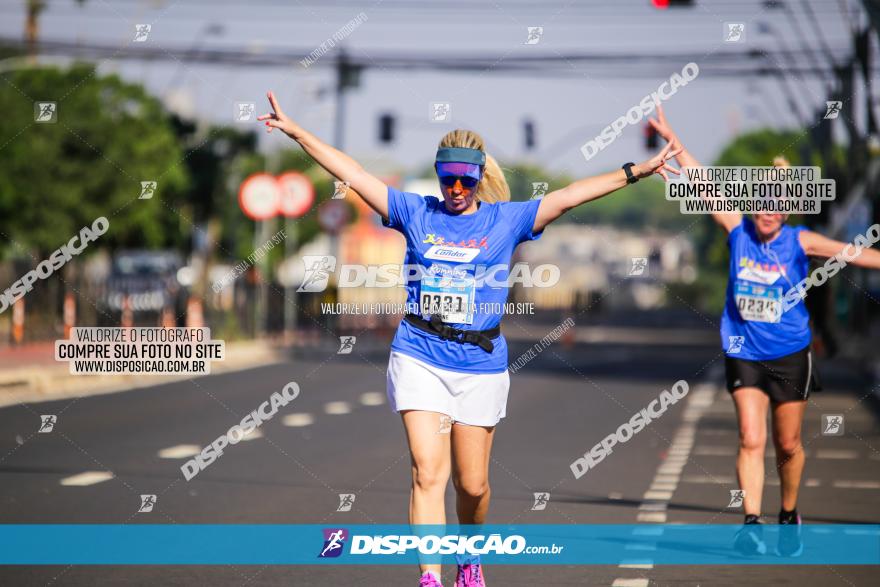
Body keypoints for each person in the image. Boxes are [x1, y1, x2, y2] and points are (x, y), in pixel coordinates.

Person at [259, 91, 679, 586]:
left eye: (465, 179)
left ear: (480, 177)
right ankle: (430, 577)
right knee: (426, 471)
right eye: (447, 178)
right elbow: (352, 173)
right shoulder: (415, 212)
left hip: (479, 362)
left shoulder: (506, 220)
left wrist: (636, 172)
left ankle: (470, 557)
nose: (456, 188)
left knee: (473, 486)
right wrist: (299, 133)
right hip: (419, 354)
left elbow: (570, 196)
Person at [648, 104, 880, 557]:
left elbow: (855, 253)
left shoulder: (801, 241)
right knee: (750, 438)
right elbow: (703, 185)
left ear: (786, 210)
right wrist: (674, 141)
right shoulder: (738, 232)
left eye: (776, 208)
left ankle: (789, 512)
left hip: (791, 352)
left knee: (788, 443)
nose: (767, 214)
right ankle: (751, 522)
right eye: (761, 206)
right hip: (743, 349)